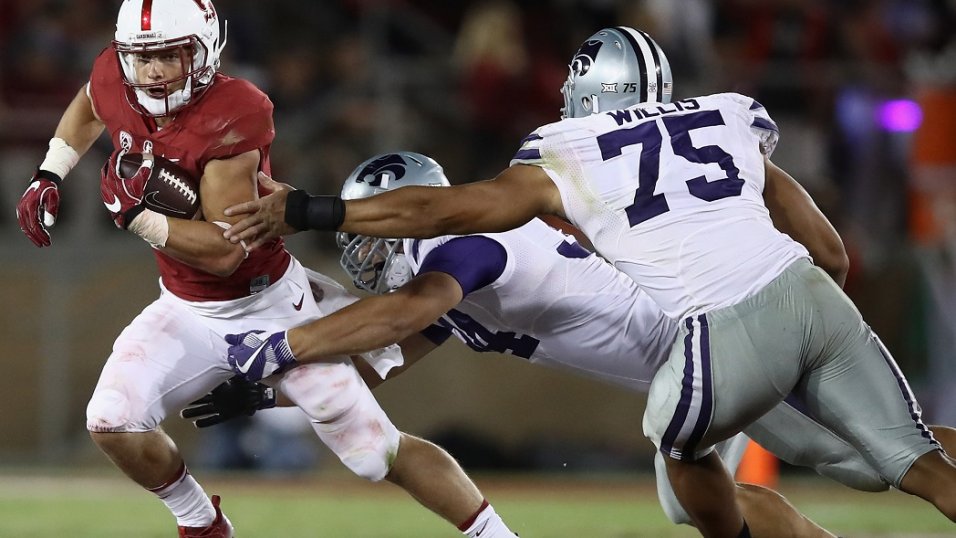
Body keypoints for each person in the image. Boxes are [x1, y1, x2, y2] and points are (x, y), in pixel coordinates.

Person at [221, 27, 956, 537]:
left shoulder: (462, 251)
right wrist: (265, 390)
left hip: (710, 338)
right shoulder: (454, 269)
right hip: (716, 337)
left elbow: (394, 318)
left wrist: (281, 343)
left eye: (367, 229)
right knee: (868, 450)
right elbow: (379, 360)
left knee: (877, 453)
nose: (363, 246)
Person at [13, 2, 518, 537]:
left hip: (268, 305)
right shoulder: (116, 74)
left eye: (169, 54)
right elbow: (91, 104)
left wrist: (137, 217)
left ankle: (494, 535)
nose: (154, 71)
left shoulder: (234, 111)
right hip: (186, 308)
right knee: (111, 420)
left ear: (203, 52)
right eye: (141, 57)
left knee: (375, 453)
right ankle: (203, 524)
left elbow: (227, 249)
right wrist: (51, 170)